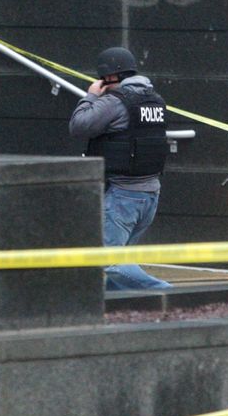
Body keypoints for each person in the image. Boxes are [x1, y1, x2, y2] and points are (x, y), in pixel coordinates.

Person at [69, 46, 171, 290]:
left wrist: (91, 96)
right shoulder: (154, 100)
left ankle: (163, 292)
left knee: (109, 260)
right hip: (149, 194)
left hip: (123, 196)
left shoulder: (115, 102)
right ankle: (118, 311)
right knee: (121, 265)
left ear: (110, 77)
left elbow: (79, 126)